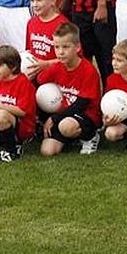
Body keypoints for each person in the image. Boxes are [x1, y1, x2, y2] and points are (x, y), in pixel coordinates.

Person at [36, 22, 103, 156]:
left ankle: (90, 137)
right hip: (64, 114)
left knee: (66, 126)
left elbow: (82, 103)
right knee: (47, 151)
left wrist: (54, 118)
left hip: (86, 114)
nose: (60, 52)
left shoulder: (88, 70)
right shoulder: (56, 67)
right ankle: (71, 138)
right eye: (56, 47)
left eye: (65, 47)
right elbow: (39, 83)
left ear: (77, 47)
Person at [23, 0, 68, 79]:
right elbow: (29, 51)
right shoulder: (31, 23)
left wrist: (47, 64)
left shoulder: (62, 25)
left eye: (39, 0)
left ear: (53, 0)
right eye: (32, 0)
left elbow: (72, 58)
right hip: (35, 77)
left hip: (57, 78)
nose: (35, 4)